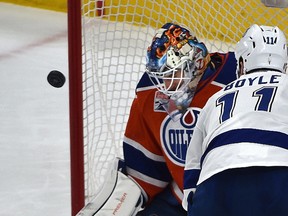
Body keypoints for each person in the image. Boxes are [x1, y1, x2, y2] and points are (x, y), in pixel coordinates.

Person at [122, 22, 237, 215]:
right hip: (183, 200)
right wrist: (124, 197)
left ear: (196, 62)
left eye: (173, 74)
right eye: (161, 76)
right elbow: (146, 170)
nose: (166, 84)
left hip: (234, 200)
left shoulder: (238, 78)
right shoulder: (151, 91)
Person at [182, 24, 288, 216]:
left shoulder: (217, 96)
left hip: (215, 183)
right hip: (278, 175)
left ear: (242, 63)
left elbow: (193, 162)